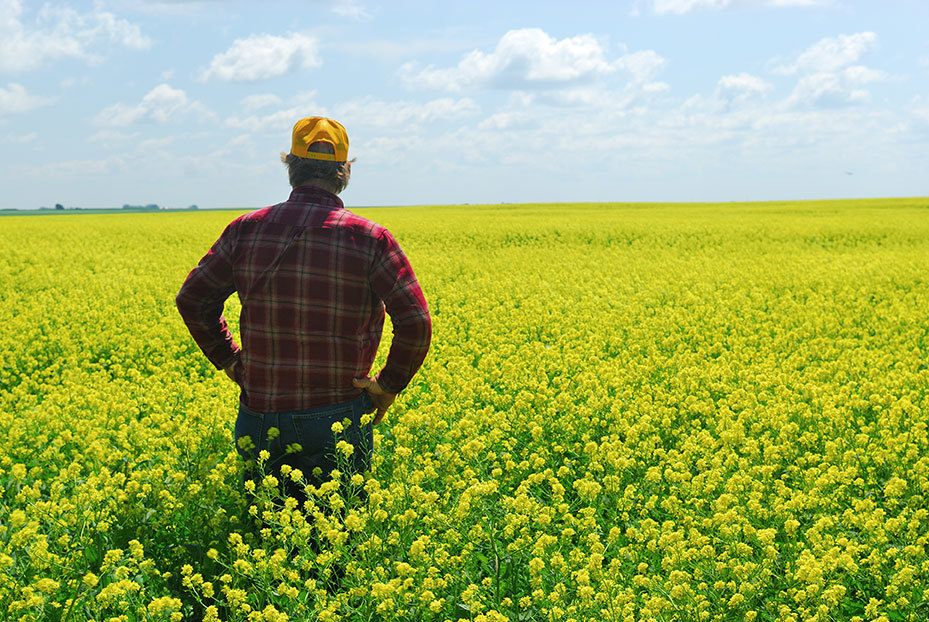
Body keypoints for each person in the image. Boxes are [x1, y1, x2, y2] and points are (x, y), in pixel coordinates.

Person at [176, 116, 432, 510]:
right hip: (337, 415)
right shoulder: (369, 238)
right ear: (344, 171)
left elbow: (193, 299)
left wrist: (229, 359)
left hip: (259, 416)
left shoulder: (245, 230)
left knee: (269, 539)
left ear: (290, 166)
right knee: (336, 545)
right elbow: (415, 322)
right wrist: (387, 386)